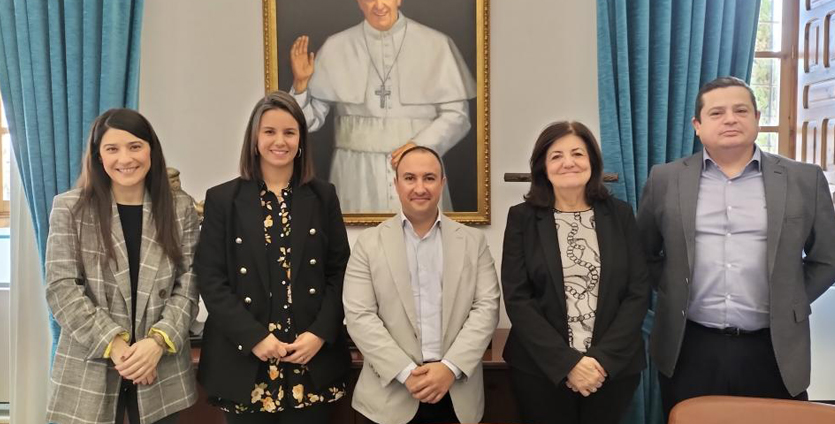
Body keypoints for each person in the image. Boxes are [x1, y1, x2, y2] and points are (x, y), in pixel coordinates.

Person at [637, 76, 835, 416]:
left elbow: (830, 259)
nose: (730, 119)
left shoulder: (803, 179)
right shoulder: (665, 179)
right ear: (697, 125)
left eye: (740, 110)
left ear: (757, 118)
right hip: (690, 344)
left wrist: (788, 299)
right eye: (717, 112)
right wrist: (676, 289)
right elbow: (643, 253)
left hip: (773, 345)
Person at [195, 91, 351, 423]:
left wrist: (320, 333)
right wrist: (254, 338)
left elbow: (340, 273)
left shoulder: (323, 197)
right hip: (246, 362)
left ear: (301, 141)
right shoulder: (223, 199)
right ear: (254, 139)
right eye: (269, 132)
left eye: (289, 132)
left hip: (310, 361)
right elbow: (211, 279)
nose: (279, 141)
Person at [45, 108, 199, 424]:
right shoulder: (70, 208)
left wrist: (158, 342)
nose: (124, 158)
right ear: (99, 156)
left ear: (151, 151)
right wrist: (115, 345)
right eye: (112, 149)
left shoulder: (180, 207)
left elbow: (190, 282)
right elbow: (61, 288)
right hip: (90, 363)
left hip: (161, 367)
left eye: (134, 146)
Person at [289, 0, 476, 213]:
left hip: (418, 170)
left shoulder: (436, 44)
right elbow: (309, 122)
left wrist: (421, 146)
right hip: (354, 173)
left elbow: (458, 117)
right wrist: (301, 86)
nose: (379, 5)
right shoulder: (336, 46)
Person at [501, 121, 650, 424]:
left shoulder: (620, 214)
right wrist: (567, 364)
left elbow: (638, 292)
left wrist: (599, 361)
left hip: (610, 370)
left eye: (578, 154)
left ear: (592, 161)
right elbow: (518, 298)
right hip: (541, 371)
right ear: (542, 166)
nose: (568, 162)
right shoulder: (522, 218)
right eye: (556, 156)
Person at [342, 146, 500, 424]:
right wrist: (405, 372)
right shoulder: (368, 243)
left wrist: (450, 368)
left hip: (456, 395)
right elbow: (359, 316)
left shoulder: (473, 242)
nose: (420, 187)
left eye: (429, 178)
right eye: (410, 178)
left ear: (442, 183)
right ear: (396, 184)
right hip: (388, 397)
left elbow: (486, 309)